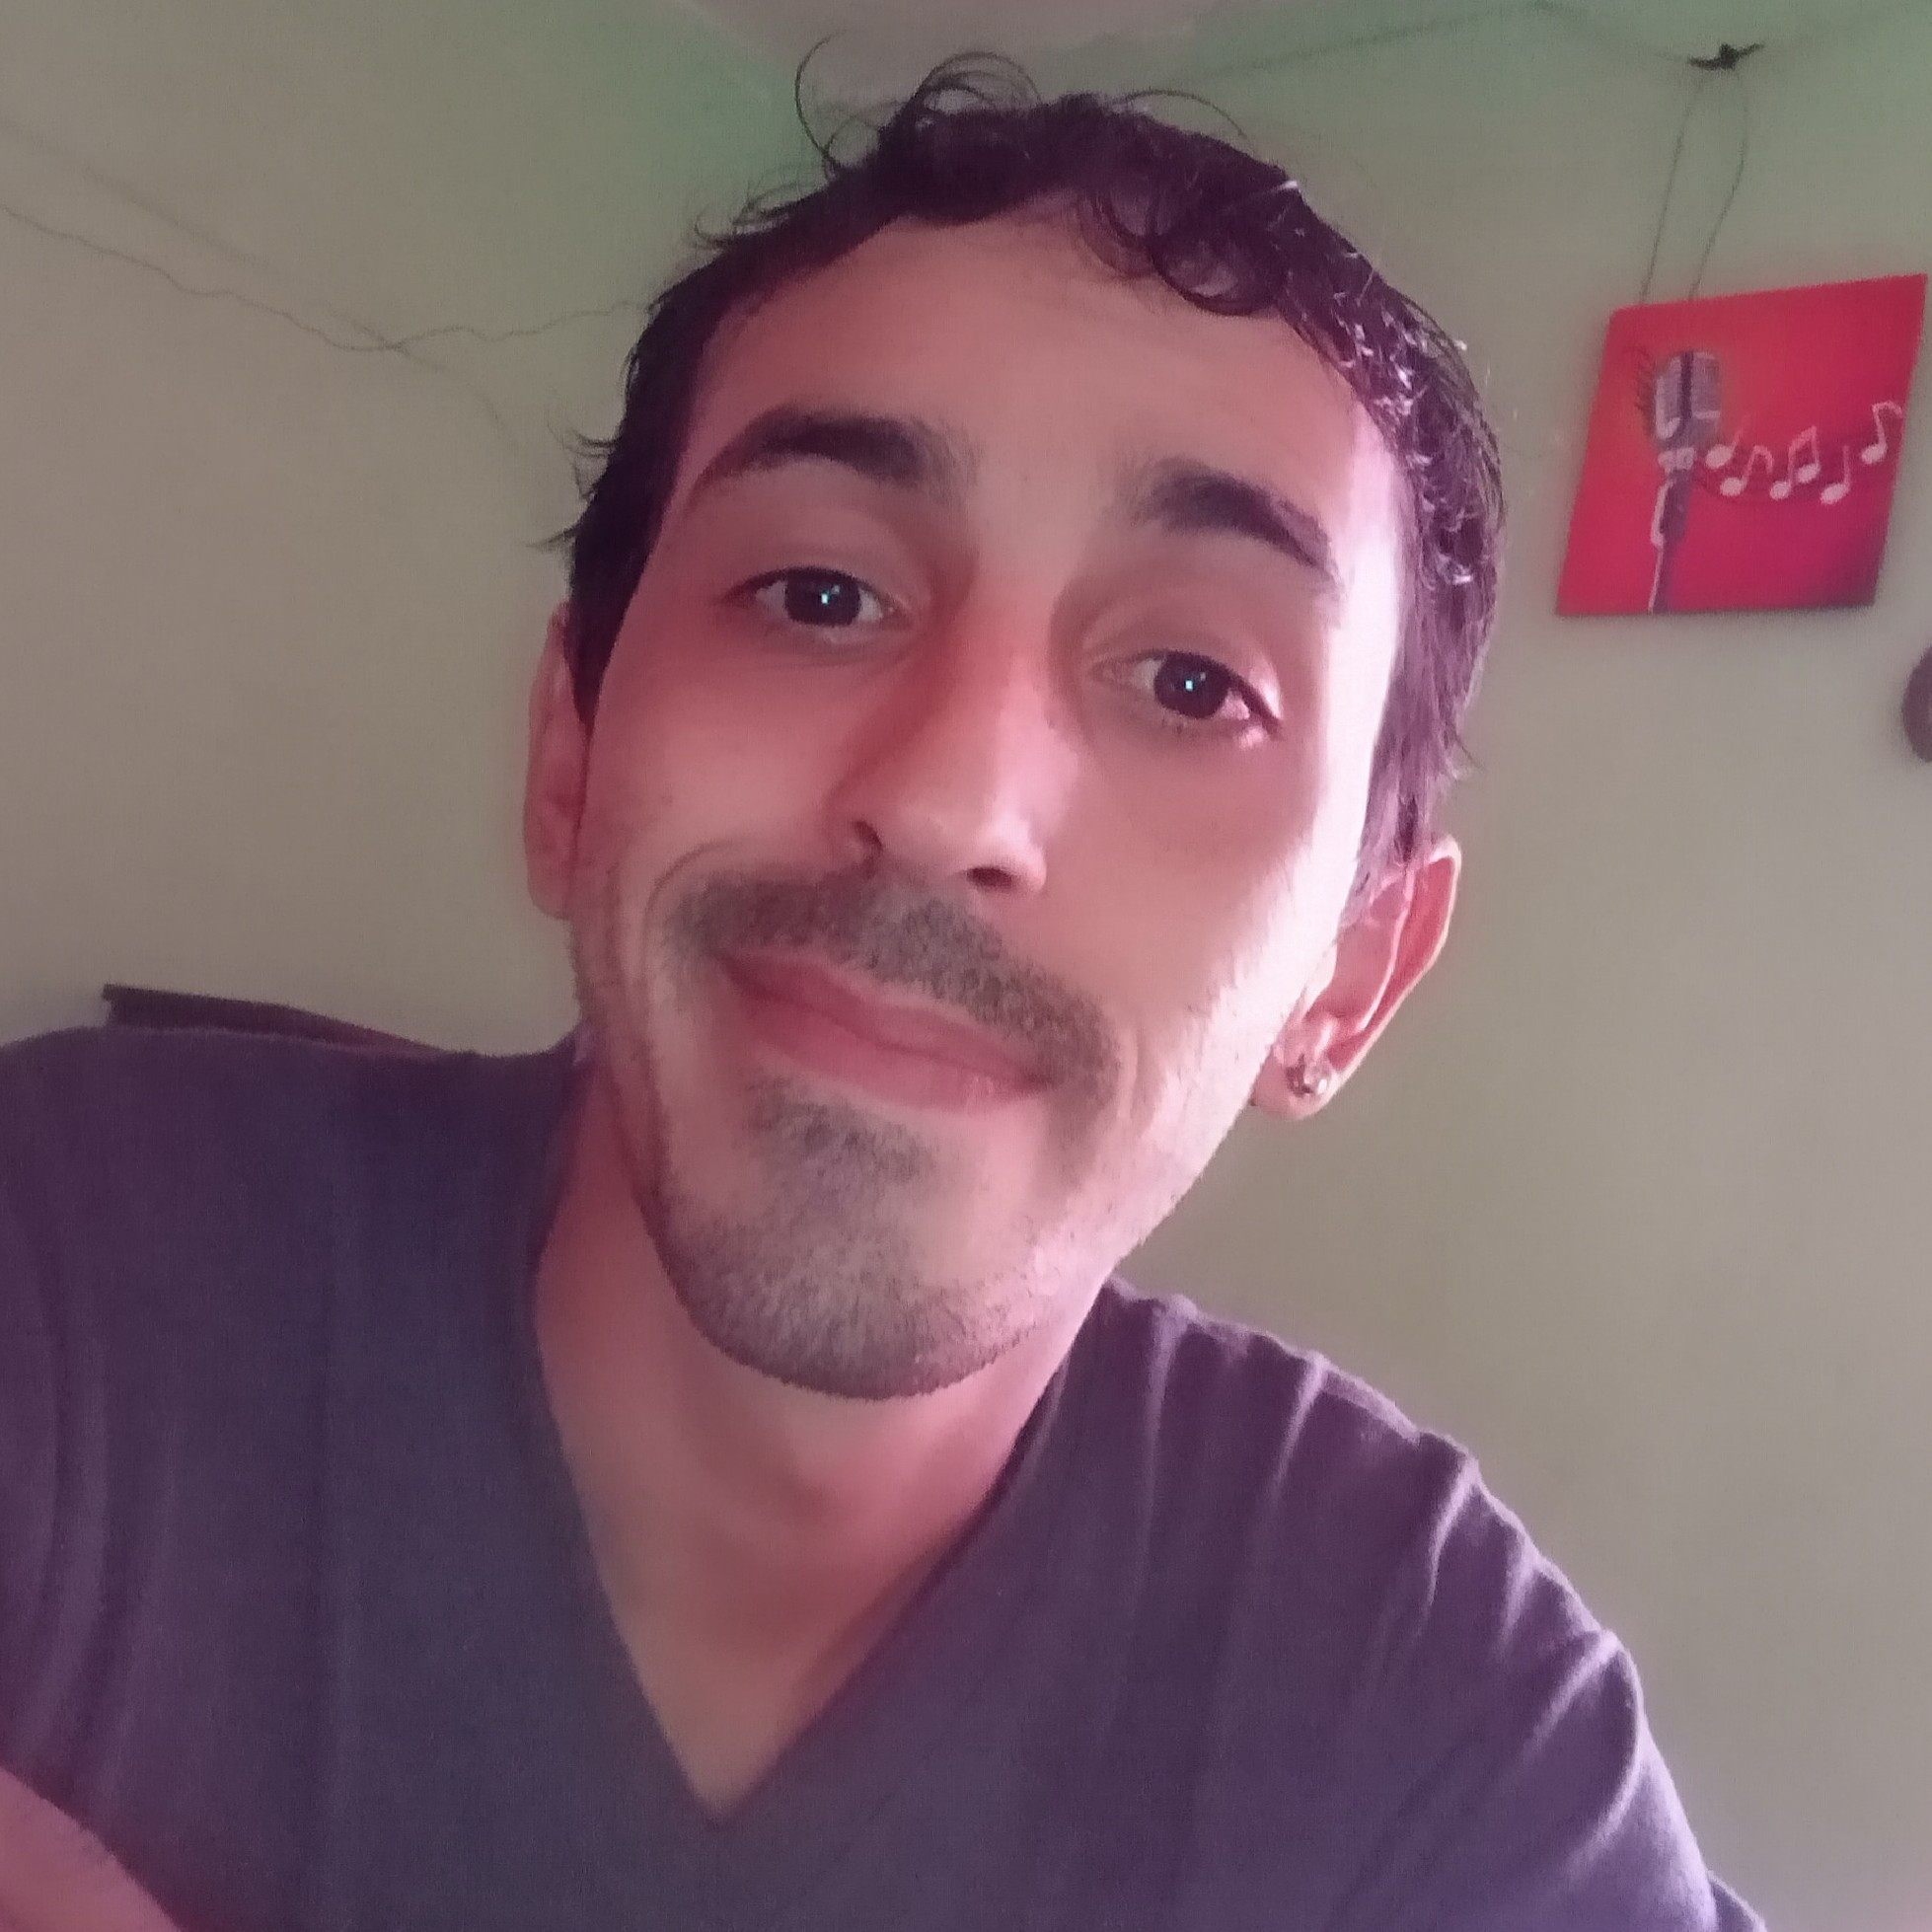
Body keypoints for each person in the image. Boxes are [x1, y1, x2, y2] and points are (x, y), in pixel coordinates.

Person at [0, 61, 1760, 1932]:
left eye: (1191, 685)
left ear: (1349, 974)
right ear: (570, 755)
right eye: (819, 594)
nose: (945, 800)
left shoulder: (1430, 1700)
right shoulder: (79, 1252)